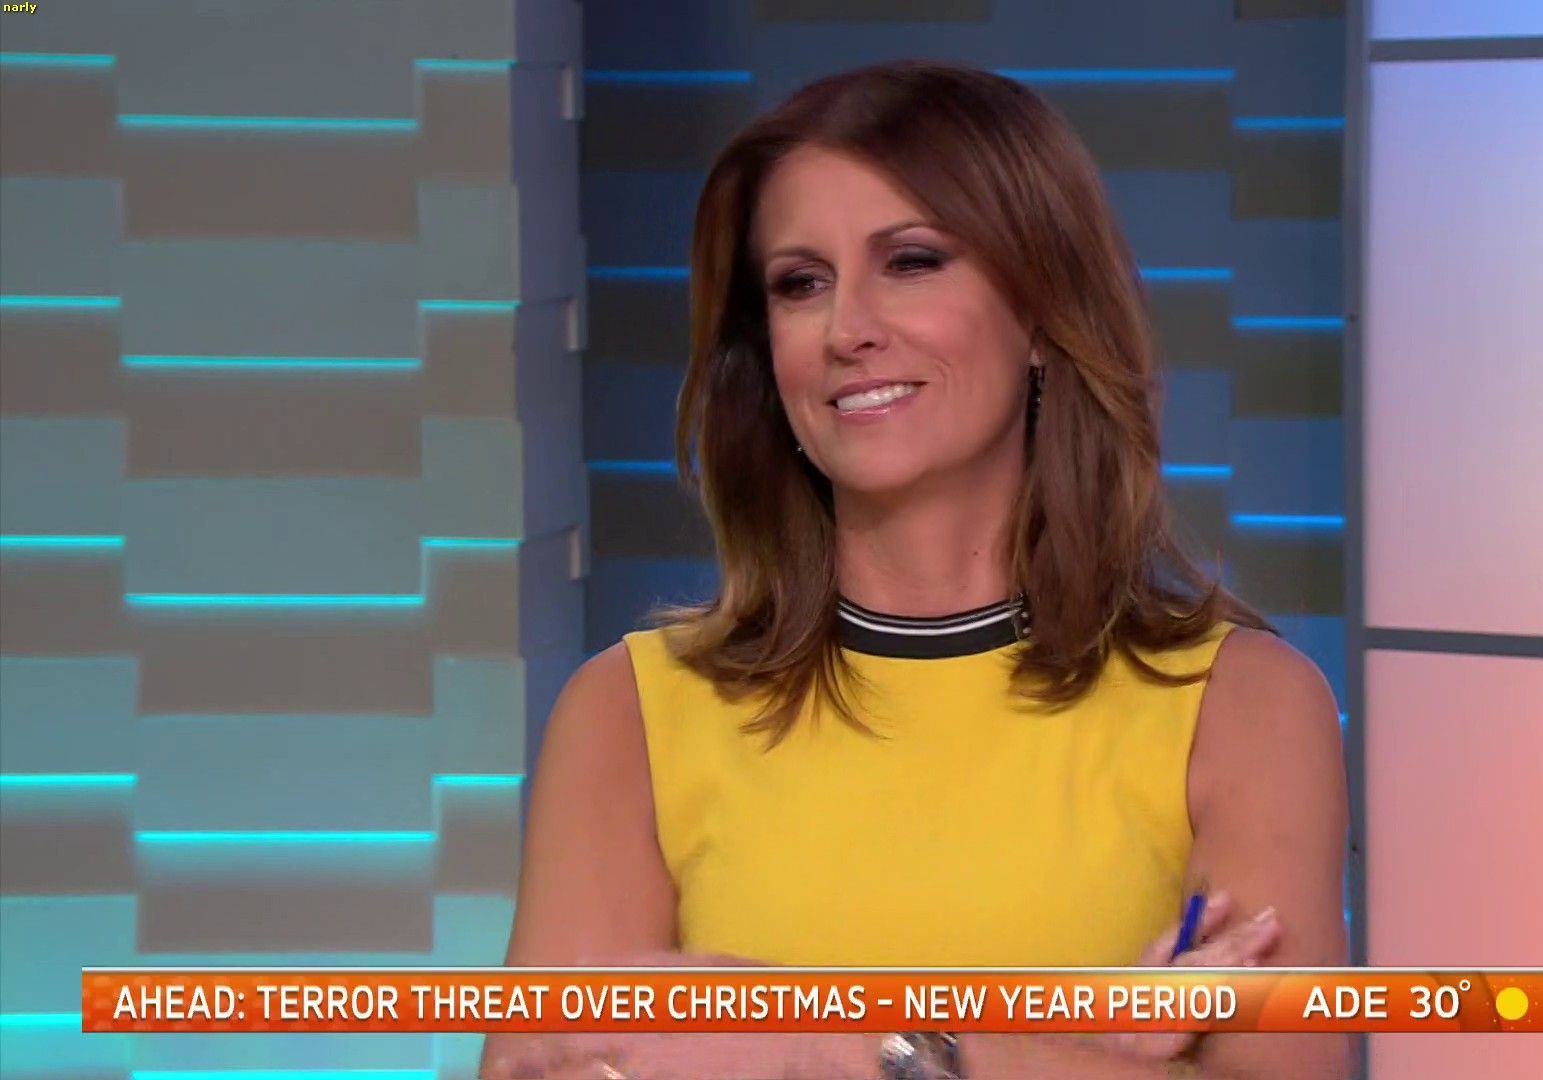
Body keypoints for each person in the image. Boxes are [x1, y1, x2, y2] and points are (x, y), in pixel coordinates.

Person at [485, 61, 1352, 1079]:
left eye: (911, 261)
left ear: (1042, 310)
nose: (847, 329)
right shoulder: (628, 716)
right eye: (800, 283)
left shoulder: (1242, 707)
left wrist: (837, 1045)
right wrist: (1075, 1054)